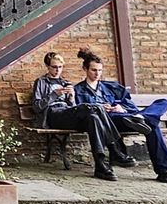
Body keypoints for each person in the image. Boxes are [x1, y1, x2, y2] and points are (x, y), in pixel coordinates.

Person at [31, 51, 135, 180]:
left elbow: (72, 106)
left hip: (67, 113)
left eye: (60, 67)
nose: (57, 70)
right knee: (95, 107)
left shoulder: (66, 83)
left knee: (94, 118)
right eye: (54, 67)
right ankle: (115, 150)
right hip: (53, 115)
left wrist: (72, 97)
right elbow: (36, 107)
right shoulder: (41, 82)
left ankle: (101, 167)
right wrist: (54, 95)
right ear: (48, 67)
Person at [73, 48, 167, 184]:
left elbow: (131, 106)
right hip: (109, 121)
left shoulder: (112, 87)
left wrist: (122, 107)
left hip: (127, 117)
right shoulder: (77, 90)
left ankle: (142, 119)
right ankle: (165, 169)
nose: (97, 74)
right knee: (152, 125)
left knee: (163, 103)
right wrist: (102, 108)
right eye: (94, 70)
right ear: (85, 69)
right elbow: (80, 112)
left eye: (100, 70)